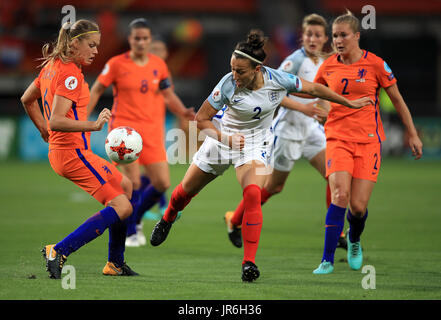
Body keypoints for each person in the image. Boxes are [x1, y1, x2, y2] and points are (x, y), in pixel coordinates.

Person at [149, 29, 373, 282]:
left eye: (240, 71)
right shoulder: (227, 84)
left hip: (254, 144)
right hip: (223, 139)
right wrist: (225, 138)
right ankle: (167, 218)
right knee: (184, 192)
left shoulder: (278, 79)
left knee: (254, 194)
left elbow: (314, 89)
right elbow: (201, 119)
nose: (234, 75)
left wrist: (348, 102)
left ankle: (249, 263)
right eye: (232, 69)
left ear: (257, 69)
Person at [20, 19, 138, 278]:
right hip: (72, 154)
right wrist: (93, 126)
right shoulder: (70, 73)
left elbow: (27, 100)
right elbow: (57, 120)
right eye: (92, 45)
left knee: (126, 188)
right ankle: (59, 250)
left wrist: (43, 131)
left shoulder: (51, 66)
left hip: (67, 153)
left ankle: (115, 263)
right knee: (123, 207)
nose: (96, 51)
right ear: (75, 44)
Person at [224, 14, 347, 251]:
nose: (312, 39)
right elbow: (273, 91)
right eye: (308, 34)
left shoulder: (326, 60)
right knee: (272, 187)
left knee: (334, 176)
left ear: (325, 39)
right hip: (288, 130)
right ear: (303, 36)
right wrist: (306, 108)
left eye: (317, 35)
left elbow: (321, 93)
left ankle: (337, 232)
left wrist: (326, 109)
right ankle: (235, 219)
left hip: (311, 130)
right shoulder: (294, 61)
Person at [312, 11, 423, 274]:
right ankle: (326, 259)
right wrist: (323, 108)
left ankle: (354, 238)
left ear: (357, 36)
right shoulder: (328, 66)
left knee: (358, 207)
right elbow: (319, 94)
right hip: (337, 138)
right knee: (340, 194)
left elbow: (397, 100)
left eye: (343, 35)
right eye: (335, 36)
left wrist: (413, 133)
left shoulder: (376, 65)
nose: (338, 40)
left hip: (368, 142)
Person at [87, 18, 195, 247]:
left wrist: (183, 111)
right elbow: (97, 88)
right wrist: (84, 118)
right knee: (133, 182)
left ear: (149, 39)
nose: (141, 42)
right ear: (130, 40)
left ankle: (133, 221)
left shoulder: (159, 64)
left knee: (162, 183)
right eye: (137, 38)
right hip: (124, 130)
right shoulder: (116, 64)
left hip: (152, 131)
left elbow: (168, 94)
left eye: (145, 38)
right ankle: (129, 232)